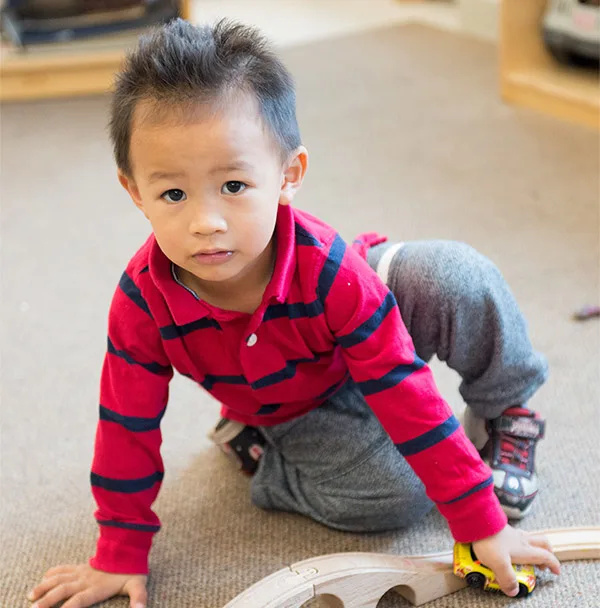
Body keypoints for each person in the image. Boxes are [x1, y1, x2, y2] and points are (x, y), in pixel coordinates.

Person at [27, 18, 559, 608]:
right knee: (392, 498)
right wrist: (118, 552)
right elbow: (127, 424)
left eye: (233, 185)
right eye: (173, 194)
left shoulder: (334, 269)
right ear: (135, 192)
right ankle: (259, 447)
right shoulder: (141, 303)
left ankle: (505, 412)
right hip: (292, 402)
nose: (206, 222)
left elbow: (399, 384)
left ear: (288, 176)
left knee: (456, 276)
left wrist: (479, 521)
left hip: (354, 322)